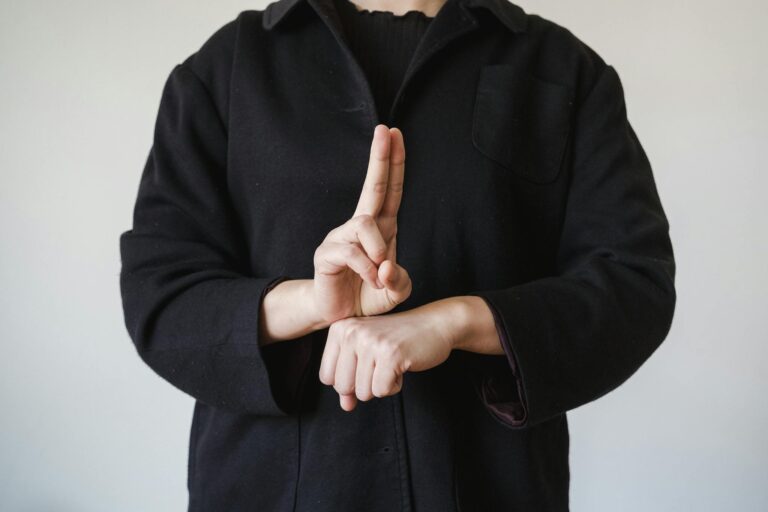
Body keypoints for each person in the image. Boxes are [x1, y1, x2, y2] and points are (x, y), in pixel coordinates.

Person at [118, 0, 676, 509]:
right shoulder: (225, 70)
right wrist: (316, 302)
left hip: (493, 491)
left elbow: (633, 284)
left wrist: (455, 321)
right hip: (264, 489)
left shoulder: (562, 69)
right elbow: (161, 296)